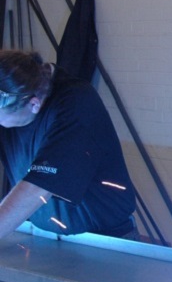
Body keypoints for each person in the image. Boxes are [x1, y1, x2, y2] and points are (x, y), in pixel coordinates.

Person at [0, 50, 137, 241]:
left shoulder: (76, 103)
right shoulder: (12, 100)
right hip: (42, 236)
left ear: (34, 104)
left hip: (103, 241)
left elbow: (37, 188)